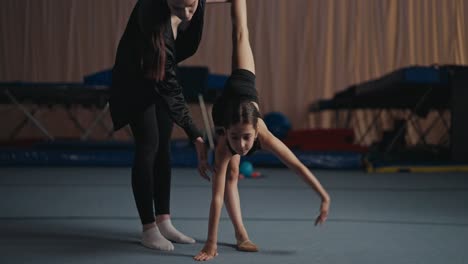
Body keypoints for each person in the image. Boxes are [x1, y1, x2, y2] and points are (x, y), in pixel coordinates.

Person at [194, 0, 331, 260]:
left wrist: (324, 197)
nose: (243, 145)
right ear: (227, 133)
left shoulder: (264, 135)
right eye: (237, 138)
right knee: (230, 174)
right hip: (226, 109)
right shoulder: (226, 142)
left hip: (244, 87)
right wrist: (210, 244)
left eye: (246, 138)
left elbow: (298, 166)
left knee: (241, 31)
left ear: (256, 132)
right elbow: (216, 198)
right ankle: (241, 233)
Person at [109, 0, 224, 251]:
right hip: (135, 81)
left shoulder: (189, 4)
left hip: (160, 72)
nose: (185, 15)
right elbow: (171, 90)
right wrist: (196, 134)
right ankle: (148, 228)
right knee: (149, 144)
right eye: (178, 8)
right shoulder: (153, 24)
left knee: (164, 148)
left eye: (191, 7)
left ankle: (164, 220)